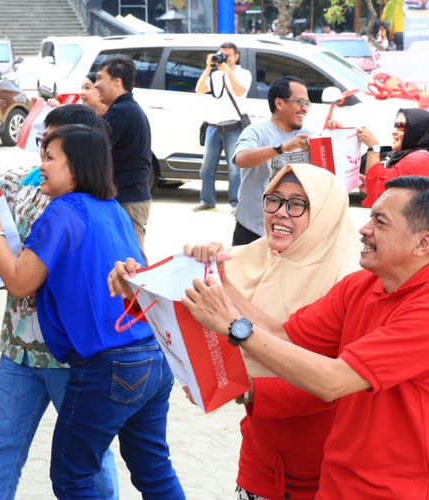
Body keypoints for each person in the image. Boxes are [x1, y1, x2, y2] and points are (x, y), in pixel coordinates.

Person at [182, 176, 429, 499]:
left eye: (380, 221)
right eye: (369, 216)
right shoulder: (361, 286)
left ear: (424, 243)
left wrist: (234, 326)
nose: (364, 229)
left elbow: (332, 381)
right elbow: (286, 337)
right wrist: (221, 283)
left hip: (398, 489)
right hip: (337, 479)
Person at [108, 164, 360, 499]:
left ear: (327, 215)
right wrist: (139, 289)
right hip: (259, 458)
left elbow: (331, 380)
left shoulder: (350, 283)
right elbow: (194, 317)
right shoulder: (250, 257)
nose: (281, 213)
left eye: (298, 204)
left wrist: (247, 391)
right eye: (274, 200)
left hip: (322, 467)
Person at [0, 124, 185, 499]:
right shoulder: (112, 208)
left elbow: (21, 282)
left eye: (50, 158)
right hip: (152, 355)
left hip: (110, 363)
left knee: (72, 475)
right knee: (153, 468)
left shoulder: (62, 211)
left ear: (77, 167)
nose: (43, 167)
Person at [0, 105, 119, 500]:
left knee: (89, 460)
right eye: (43, 145)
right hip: (18, 351)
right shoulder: (30, 180)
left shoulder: (88, 207)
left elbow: (21, 282)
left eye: (52, 150)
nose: (42, 158)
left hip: (72, 358)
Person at [231, 76, 311, 245]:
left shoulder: (308, 135)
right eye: (299, 102)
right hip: (253, 231)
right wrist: (281, 148)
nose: (304, 108)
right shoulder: (256, 132)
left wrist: (336, 129)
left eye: (307, 103)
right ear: (280, 103)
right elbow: (241, 159)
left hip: (291, 231)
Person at [94, 55, 153, 257]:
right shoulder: (127, 110)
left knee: (133, 262)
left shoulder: (122, 112)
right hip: (129, 198)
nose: (96, 85)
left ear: (117, 81)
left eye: (100, 78)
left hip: (129, 201)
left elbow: (91, 147)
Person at [193, 42, 252, 212]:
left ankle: (236, 203)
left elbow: (240, 91)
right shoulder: (216, 74)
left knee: (234, 169)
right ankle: (207, 201)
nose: (224, 57)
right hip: (213, 126)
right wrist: (207, 68)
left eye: (228, 55)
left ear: (236, 56)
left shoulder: (244, 73)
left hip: (233, 127)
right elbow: (199, 89)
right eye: (221, 54)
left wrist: (227, 69)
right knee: (206, 168)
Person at [353, 108, 429, 207]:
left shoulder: (420, 158)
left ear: (417, 130)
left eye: (401, 126)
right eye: (395, 126)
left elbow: (379, 186)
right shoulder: (418, 155)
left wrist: (373, 147)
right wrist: (370, 185)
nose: (394, 131)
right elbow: (387, 190)